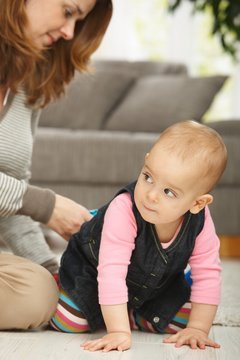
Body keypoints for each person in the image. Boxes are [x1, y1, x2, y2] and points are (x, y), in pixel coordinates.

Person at [50, 120, 227, 351]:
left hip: (153, 287)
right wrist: (118, 332)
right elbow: (111, 272)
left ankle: (131, 313)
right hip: (93, 275)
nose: (151, 195)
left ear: (197, 203)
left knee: (186, 321)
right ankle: (64, 287)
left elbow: (208, 273)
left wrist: (198, 329)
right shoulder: (123, 210)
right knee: (67, 320)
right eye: (148, 177)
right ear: (145, 163)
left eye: (168, 192)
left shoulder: (200, 220)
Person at [0, 0, 112, 330]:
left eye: (79, 21)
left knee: (38, 293)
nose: (69, 32)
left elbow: (10, 207)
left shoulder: (24, 87)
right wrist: (47, 206)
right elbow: (24, 200)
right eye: (68, 11)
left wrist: (56, 276)